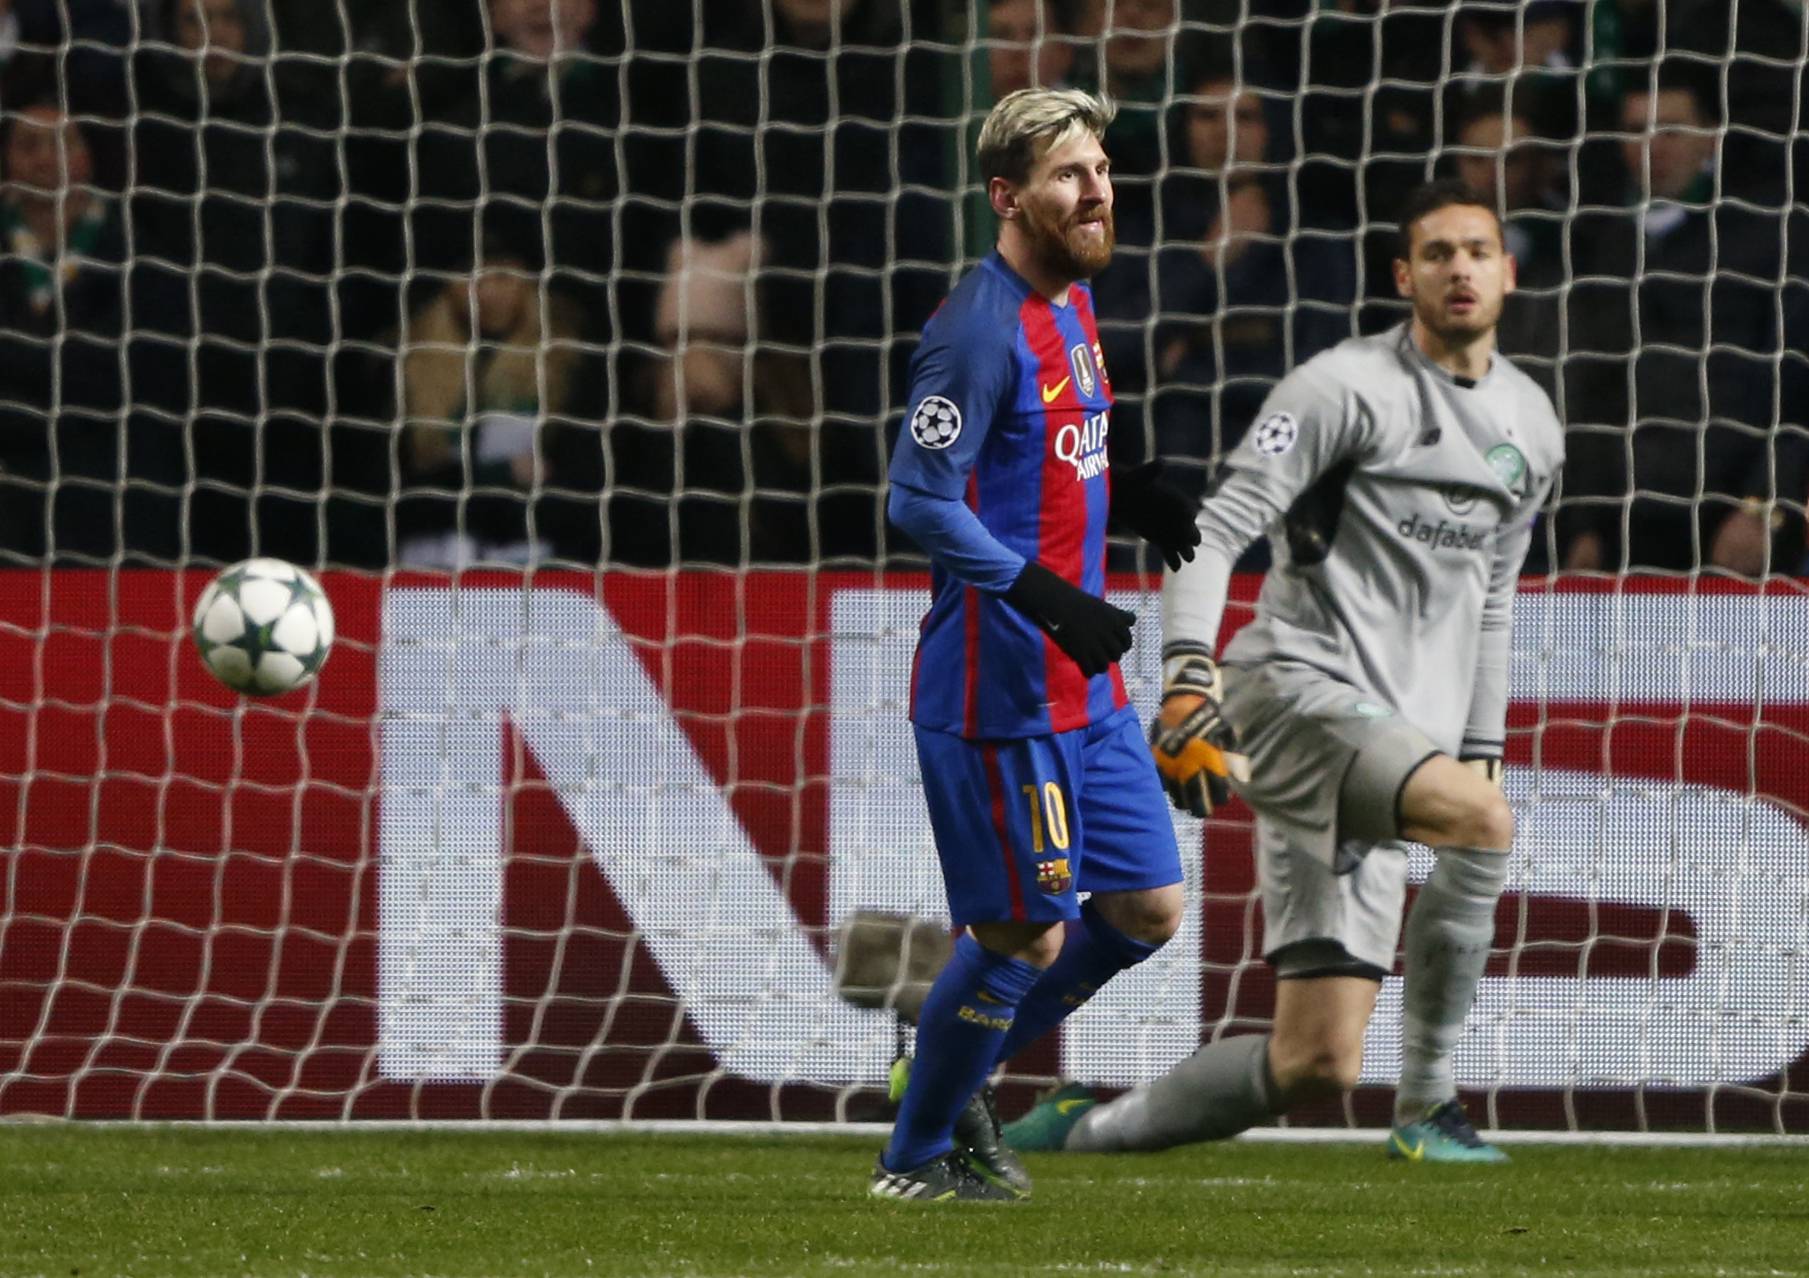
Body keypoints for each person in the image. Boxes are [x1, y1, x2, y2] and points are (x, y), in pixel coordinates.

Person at [1007, 178, 1564, 1163]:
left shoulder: (1531, 422)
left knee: (1315, 1063)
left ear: (1508, 271)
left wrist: (1478, 747)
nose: (1460, 269)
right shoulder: (1342, 389)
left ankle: (1075, 1134)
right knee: (1482, 822)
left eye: (1478, 250)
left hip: (1396, 745)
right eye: (1436, 253)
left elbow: (1494, 598)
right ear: (1405, 276)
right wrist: (1188, 670)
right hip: (1294, 691)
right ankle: (1431, 1106)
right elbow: (1211, 532)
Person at [872, 87, 1202, 1203]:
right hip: (1002, 685)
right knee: (1026, 936)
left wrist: (1130, 489)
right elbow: (918, 500)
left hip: (1086, 681)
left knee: (1147, 909)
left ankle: (948, 1062)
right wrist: (1046, 595)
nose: (1097, 189)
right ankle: (915, 1159)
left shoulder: (1072, 302)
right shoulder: (975, 327)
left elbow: (1050, 457)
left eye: (1101, 169)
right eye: (1070, 175)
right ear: (1008, 197)